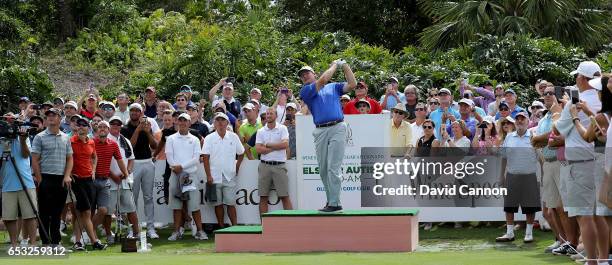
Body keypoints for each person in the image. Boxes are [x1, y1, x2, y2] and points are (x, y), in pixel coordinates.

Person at [555, 61, 606, 263]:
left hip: (580, 163)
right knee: (599, 215)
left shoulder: (574, 103)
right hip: (599, 161)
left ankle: (592, 259)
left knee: (584, 216)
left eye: (578, 76)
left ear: (582, 79)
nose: (575, 79)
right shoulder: (604, 100)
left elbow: (557, 130)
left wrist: (562, 110)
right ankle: (601, 258)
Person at [298, 59, 356, 213]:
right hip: (320, 130)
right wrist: (335, 65)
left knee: (333, 168)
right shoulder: (306, 91)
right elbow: (323, 79)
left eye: (307, 73)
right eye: (302, 75)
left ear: (313, 73)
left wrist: (345, 65)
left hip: (338, 127)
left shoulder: (333, 87)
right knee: (323, 169)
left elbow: (352, 84)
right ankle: (331, 201)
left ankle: (335, 203)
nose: (304, 76)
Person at [530, 85, 567, 252]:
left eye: (550, 94)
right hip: (547, 163)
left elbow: (554, 134)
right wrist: (540, 140)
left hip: (560, 163)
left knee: (561, 207)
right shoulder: (544, 117)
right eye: (544, 94)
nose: (546, 96)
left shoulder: (561, 113)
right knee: (551, 208)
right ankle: (560, 240)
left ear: (558, 96)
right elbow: (539, 142)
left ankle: (569, 242)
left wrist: (539, 139)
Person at [496, 111, 541, 243]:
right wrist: (501, 176)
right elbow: (504, 158)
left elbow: (541, 159)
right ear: (515, 122)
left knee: (530, 207)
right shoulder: (509, 137)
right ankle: (510, 233)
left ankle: (528, 233)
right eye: (518, 119)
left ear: (528, 121)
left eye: (523, 119)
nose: (520, 121)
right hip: (512, 176)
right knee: (509, 206)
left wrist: (543, 176)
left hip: (529, 176)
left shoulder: (533, 136)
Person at [31, 108, 73, 246]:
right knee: (44, 213)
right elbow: (35, 160)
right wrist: (40, 179)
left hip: (61, 179)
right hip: (45, 178)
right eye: (48, 115)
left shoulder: (66, 137)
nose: (50, 118)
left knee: (56, 213)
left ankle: (56, 242)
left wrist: (67, 176)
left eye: (54, 115)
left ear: (59, 118)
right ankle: (45, 242)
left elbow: (69, 159)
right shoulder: (40, 137)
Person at [120, 103, 160, 239]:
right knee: (133, 199)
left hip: (148, 162)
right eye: (132, 110)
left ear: (141, 113)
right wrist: (138, 130)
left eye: (137, 111)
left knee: (148, 197)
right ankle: (133, 229)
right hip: (134, 164)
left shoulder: (147, 126)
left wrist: (147, 132)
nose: (134, 113)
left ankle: (150, 228)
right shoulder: (124, 129)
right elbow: (129, 146)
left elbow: (154, 146)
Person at [166, 113, 208, 241]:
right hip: (175, 175)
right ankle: (176, 232)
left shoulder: (195, 139)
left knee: (194, 205)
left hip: (190, 175)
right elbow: (169, 156)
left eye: (185, 121)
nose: (183, 123)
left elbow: (196, 158)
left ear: (189, 123)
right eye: (181, 121)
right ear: (177, 122)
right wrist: (176, 168)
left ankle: (200, 231)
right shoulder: (171, 139)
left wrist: (181, 167)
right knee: (177, 205)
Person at [68, 116, 107, 250]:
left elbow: (94, 157)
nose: (81, 127)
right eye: (79, 125)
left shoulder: (91, 142)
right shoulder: (70, 141)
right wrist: (68, 173)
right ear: (76, 128)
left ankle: (78, 242)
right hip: (76, 180)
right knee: (84, 211)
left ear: (88, 128)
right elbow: (66, 159)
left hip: (89, 180)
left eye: (84, 126)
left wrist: (93, 170)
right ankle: (94, 241)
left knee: (82, 212)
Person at [202, 112, 245, 228]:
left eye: (223, 120)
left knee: (231, 203)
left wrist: (237, 166)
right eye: (218, 120)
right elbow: (205, 157)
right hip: (214, 176)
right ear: (214, 123)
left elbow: (241, 153)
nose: (220, 123)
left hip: (229, 176)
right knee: (218, 204)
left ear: (227, 123)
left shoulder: (233, 136)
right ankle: (221, 228)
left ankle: (235, 227)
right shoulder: (209, 138)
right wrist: (208, 176)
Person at [92, 121, 129, 243]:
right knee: (90, 210)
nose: (102, 129)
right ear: (97, 130)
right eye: (100, 127)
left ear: (108, 130)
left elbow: (119, 160)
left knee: (103, 210)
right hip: (91, 180)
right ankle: (90, 235)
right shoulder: (91, 143)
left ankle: (91, 231)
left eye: (104, 127)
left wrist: (126, 173)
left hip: (104, 181)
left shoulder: (113, 144)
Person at [105, 116, 140, 240]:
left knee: (131, 208)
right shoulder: (105, 140)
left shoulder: (125, 140)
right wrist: (113, 176)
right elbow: (101, 162)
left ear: (121, 126)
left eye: (118, 124)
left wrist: (127, 172)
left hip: (125, 180)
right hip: (109, 180)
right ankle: (109, 235)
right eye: (113, 124)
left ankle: (137, 233)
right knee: (108, 211)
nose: (115, 126)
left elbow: (131, 159)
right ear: (109, 126)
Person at [1, 125, 37, 247]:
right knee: (9, 217)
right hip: (7, 184)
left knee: (30, 215)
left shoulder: (23, 137)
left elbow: (26, 155)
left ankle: (32, 244)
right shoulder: (1, 140)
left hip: (26, 183)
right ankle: (14, 244)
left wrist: (22, 140)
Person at [255, 108, 293, 214]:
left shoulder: (282, 128)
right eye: (267, 114)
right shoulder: (261, 131)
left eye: (271, 114)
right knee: (263, 197)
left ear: (276, 116)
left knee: (284, 196)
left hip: (279, 166)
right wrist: (277, 147)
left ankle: (290, 225)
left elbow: (285, 145)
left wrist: (267, 145)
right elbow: (258, 149)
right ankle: (264, 226)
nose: (268, 116)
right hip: (264, 166)